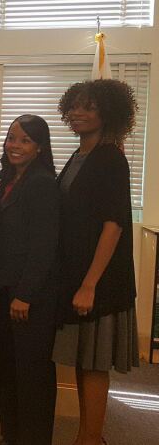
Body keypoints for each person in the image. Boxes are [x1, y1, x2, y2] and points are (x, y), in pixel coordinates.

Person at [53, 80, 139, 445]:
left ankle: (89, 439)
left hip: (100, 281)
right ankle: (89, 436)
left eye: (88, 107)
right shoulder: (80, 153)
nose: (78, 113)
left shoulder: (109, 157)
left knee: (94, 364)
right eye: (73, 106)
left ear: (108, 112)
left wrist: (89, 284)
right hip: (76, 275)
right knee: (81, 360)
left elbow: (113, 225)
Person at [0, 114, 59, 445]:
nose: (15, 145)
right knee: (10, 371)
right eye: (11, 138)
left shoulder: (42, 182)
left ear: (39, 147)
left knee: (32, 375)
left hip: (29, 297)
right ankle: (11, 435)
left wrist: (26, 294)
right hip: (5, 290)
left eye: (25, 140)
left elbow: (44, 244)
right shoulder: (8, 180)